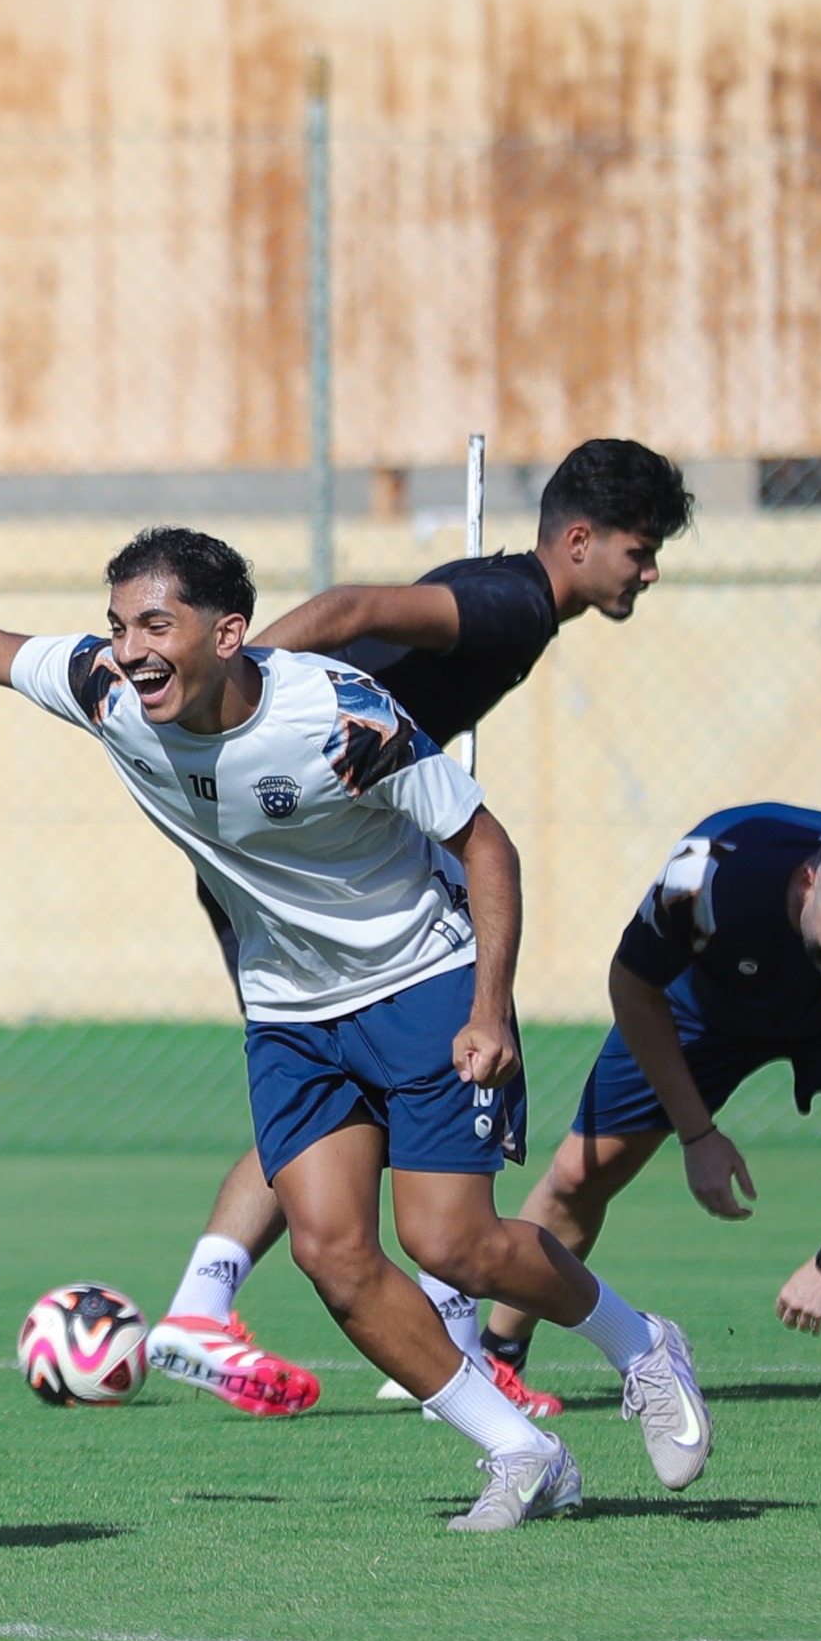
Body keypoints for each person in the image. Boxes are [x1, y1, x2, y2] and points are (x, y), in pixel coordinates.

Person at [0, 521, 713, 1532]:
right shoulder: (108, 693)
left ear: (228, 634)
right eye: (119, 624)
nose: (130, 647)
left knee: (453, 1243)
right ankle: (520, 1451)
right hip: (291, 1009)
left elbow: (486, 843)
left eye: (156, 622)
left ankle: (642, 1344)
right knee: (333, 1256)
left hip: (422, 976)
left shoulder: (338, 715)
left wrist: (488, 1007)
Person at [145, 439, 695, 1421]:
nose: (647, 573)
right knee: (460, 1050)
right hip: (323, 851)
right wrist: (275, 700)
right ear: (580, 540)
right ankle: (462, 1345)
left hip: (278, 861)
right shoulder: (514, 603)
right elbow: (357, 608)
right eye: (639, 551)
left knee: (329, 1083)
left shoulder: (518, 602)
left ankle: (207, 1301)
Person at [480, 805, 821, 1411]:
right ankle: (494, 1355)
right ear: (808, 883)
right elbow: (631, 985)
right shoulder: (708, 882)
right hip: (701, 1012)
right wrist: (697, 1136)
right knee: (578, 1174)